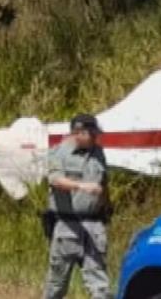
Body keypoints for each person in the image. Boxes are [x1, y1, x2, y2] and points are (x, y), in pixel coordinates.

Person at [43, 113, 111, 299]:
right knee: (57, 284)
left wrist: (106, 206)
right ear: (78, 133)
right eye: (92, 133)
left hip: (94, 226)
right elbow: (55, 180)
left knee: (100, 285)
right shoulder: (58, 153)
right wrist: (81, 186)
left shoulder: (98, 152)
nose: (96, 137)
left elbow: (103, 183)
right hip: (67, 226)